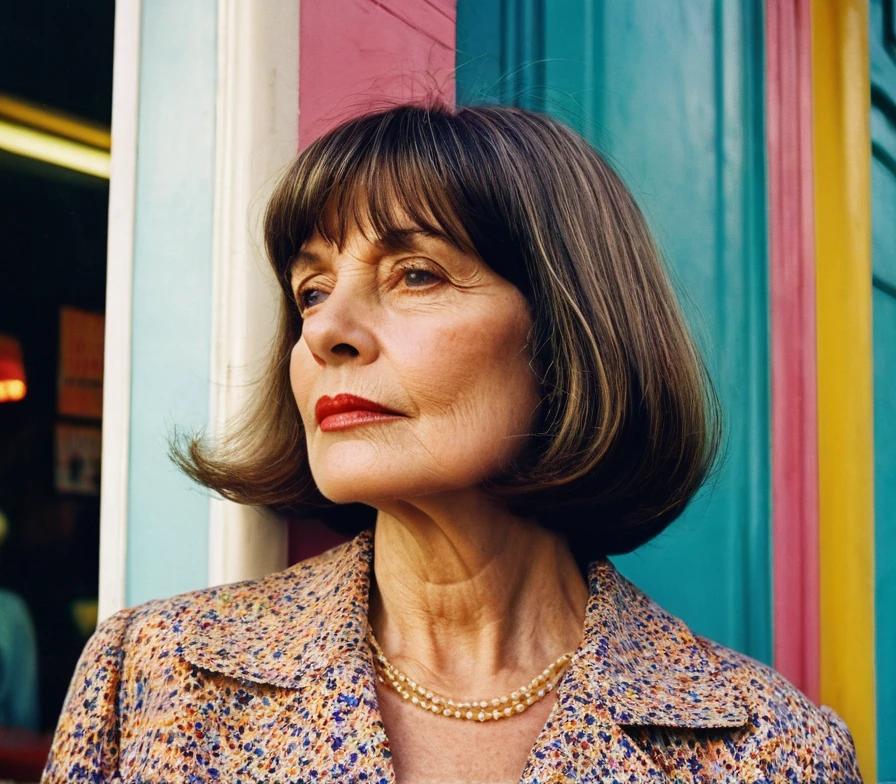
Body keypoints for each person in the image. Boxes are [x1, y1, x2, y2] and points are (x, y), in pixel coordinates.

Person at [40, 100, 863, 783]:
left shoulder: (775, 750)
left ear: (567, 330)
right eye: (312, 290)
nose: (327, 329)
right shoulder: (151, 674)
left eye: (417, 274)